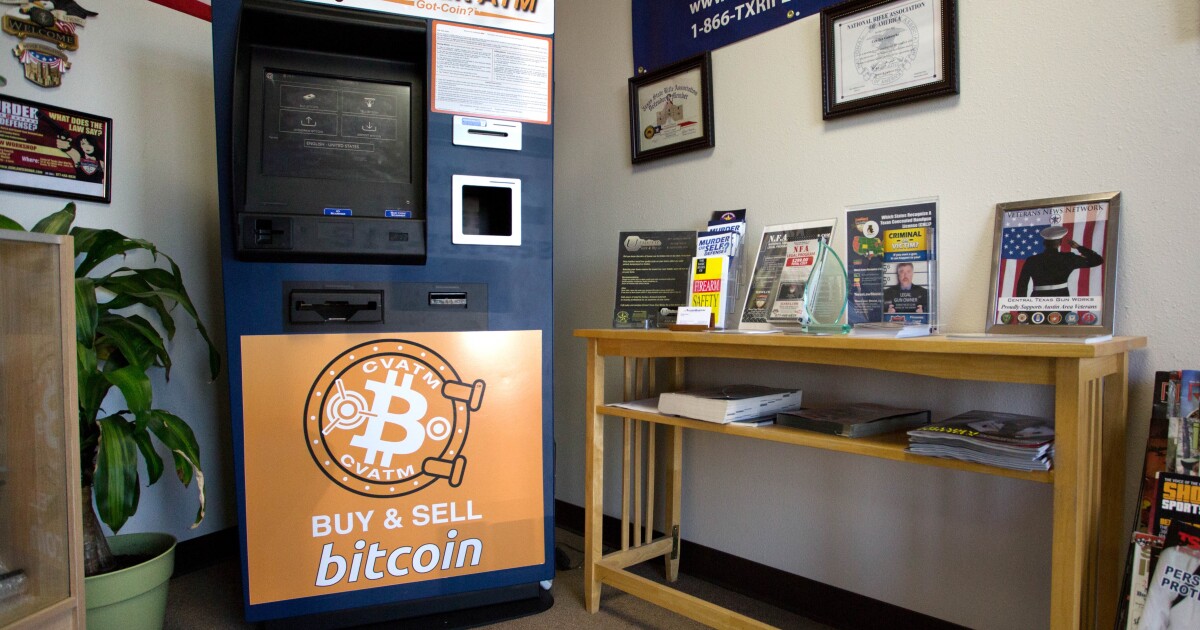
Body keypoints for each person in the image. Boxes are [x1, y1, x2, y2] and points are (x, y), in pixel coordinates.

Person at [1016, 225, 1103, 297]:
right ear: (1060, 243)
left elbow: (1022, 285)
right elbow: (1098, 260)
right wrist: (1079, 247)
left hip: (1038, 299)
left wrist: (1022, 308)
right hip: (1062, 298)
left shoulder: (1032, 260)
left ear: (1044, 243)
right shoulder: (1069, 258)